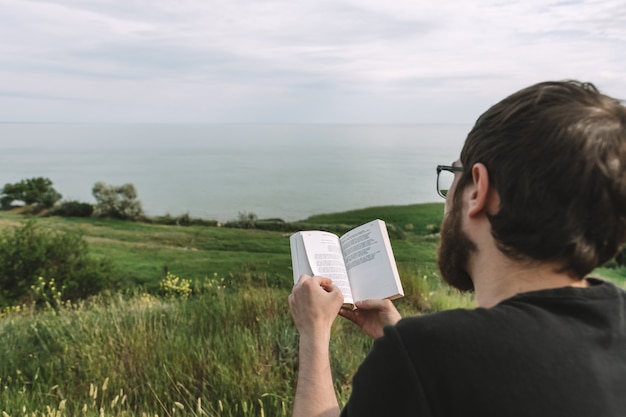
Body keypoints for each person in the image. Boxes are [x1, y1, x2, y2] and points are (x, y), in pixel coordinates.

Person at [288, 80, 626, 417]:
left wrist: (314, 333)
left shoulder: (429, 354)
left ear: (478, 189)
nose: (448, 196)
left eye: (453, 174)